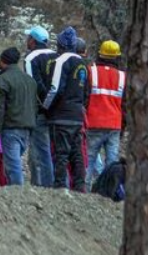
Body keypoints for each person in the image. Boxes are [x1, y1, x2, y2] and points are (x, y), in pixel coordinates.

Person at [42, 26, 88, 192]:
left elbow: (55, 88)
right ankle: (79, 187)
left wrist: (45, 108)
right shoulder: (83, 64)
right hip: (77, 115)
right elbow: (86, 92)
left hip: (61, 115)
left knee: (61, 153)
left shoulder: (60, 61)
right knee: (77, 154)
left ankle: (60, 188)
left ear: (60, 44)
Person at [0, 47, 37, 186]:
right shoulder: (30, 81)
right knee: (13, 163)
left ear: (3, 61)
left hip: (11, 128)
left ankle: (18, 197)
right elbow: (35, 105)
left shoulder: (2, 80)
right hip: (28, 128)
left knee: (13, 165)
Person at [85, 40, 126, 190]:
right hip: (114, 125)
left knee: (88, 161)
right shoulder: (122, 76)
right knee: (112, 164)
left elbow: (84, 98)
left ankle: (84, 194)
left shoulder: (91, 72)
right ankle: (110, 194)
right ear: (117, 57)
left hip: (93, 123)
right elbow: (125, 105)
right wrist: (122, 126)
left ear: (100, 54)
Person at [22, 26, 56, 188]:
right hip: (58, 110)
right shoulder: (55, 55)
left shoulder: (31, 58)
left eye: (28, 38)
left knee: (40, 151)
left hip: (40, 111)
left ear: (33, 41)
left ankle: (43, 188)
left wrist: (42, 106)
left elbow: (32, 85)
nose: (26, 41)